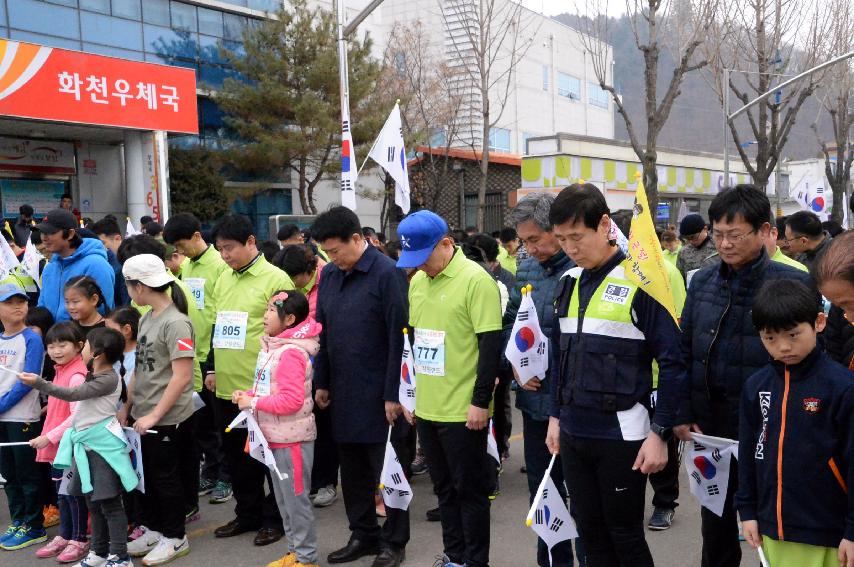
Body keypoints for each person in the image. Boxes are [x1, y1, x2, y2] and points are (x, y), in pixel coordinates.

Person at [542, 184, 685, 566]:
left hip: (623, 435)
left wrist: (660, 434)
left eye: (577, 236)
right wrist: (555, 415)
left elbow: (673, 363)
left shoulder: (641, 281)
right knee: (589, 532)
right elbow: (559, 358)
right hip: (574, 432)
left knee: (624, 535)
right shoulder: (567, 283)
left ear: (604, 225)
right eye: (561, 239)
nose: (570, 247)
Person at [674, 184, 812, 567]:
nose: (725, 243)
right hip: (711, 428)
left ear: (764, 231)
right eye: (718, 234)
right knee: (715, 527)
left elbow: (810, 361)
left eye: (735, 235)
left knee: (774, 524)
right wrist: (681, 412)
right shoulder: (701, 282)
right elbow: (685, 350)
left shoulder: (792, 283)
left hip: (771, 427)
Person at [397, 210, 502, 567]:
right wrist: (409, 394)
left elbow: (490, 346)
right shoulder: (417, 283)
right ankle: (454, 556)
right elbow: (415, 345)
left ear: (446, 244)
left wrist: (480, 401)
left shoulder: (476, 280)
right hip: (427, 407)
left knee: (469, 493)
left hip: (463, 411)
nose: (419, 267)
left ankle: (476, 561)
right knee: (443, 491)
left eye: (424, 258)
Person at [311, 206, 410, 567]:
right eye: (327, 253)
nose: (332, 259)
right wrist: (321, 381)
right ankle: (363, 533)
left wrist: (392, 393)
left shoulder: (388, 274)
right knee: (351, 470)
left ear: (358, 239)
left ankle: (394, 541)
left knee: (388, 471)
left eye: (336, 251)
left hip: (381, 394)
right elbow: (323, 332)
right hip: (344, 390)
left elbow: (400, 339)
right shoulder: (333, 277)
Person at [736, 279, 854, 567]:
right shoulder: (756, 386)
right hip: (772, 529)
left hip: (829, 530)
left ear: (819, 322)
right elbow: (750, 453)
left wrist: (852, 530)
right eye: (770, 338)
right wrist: (748, 511)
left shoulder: (842, 386)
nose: (784, 346)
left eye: (793, 334)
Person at [205, 214, 292, 547]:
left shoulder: (276, 278)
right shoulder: (223, 278)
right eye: (221, 250)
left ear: (251, 242)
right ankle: (248, 513)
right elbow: (218, 325)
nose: (225, 256)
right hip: (228, 388)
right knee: (238, 458)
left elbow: (287, 331)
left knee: (270, 459)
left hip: (263, 390)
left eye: (230, 248)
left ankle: (275, 518)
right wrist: (212, 368)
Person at [503, 193, 578, 567]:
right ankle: (552, 561)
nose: (529, 248)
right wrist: (515, 363)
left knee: (580, 497)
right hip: (534, 405)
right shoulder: (527, 268)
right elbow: (514, 320)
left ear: (558, 231)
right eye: (523, 241)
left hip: (573, 408)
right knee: (543, 493)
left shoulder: (581, 269)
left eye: (535, 239)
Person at [22, 327, 137, 567]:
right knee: (92, 503)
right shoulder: (95, 375)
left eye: (85, 346)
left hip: (103, 449)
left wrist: (39, 383)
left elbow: (73, 395)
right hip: (87, 448)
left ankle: (120, 556)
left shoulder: (108, 379)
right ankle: (98, 553)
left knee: (110, 504)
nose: (82, 349)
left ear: (96, 354)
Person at [233, 290, 322, 567]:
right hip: (274, 437)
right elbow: (269, 389)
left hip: (291, 439)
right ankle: (295, 552)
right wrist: (248, 394)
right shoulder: (274, 348)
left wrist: (253, 401)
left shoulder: (291, 353)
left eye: (271, 310)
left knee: (296, 503)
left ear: (290, 318)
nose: (265, 316)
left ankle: (306, 559)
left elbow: (292, 401)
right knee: (284, 502)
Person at [121, 254, 196, 565]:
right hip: (144, 414)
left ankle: (175, 536)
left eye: (128, 285)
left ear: (138, 287)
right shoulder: (148, 316)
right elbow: (138, 368)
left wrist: (154, 414)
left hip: (168, 417)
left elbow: (182, 376)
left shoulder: (177, 322)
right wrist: (128, 406)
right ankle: (154, 529)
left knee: (166, 479)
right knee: (147, 477)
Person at [162, 213, 232, 505]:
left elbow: (219, 313)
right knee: (201, 422)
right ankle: (212, 470)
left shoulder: (218, 265)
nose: (180, 252)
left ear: (196, 235)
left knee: (220, 422)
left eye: (181, 244)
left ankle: (226, 477)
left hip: (213, 354)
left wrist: (213, 359)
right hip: (190, 353)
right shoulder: (187, 266)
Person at [272, 244, 339, 507]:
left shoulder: (327, 281)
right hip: (296, 365)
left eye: (293, 278)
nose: (290, 284)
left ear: (306, 271)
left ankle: (327, 482)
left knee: (323, 427)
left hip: (320, 361)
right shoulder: (294, 288)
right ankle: (311, 481)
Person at [31, 322, 90, 563]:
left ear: (79, 346)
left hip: (70, 446)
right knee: (62, 494)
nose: (56, 350)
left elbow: (77, 417)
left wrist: (49, 437)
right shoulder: (61, 369)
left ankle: (79, 538)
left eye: (62, 345)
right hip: (59, 447)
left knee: (73, 494)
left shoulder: (76, 375)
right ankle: (65, 535)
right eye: (51, 345)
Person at [0, 283, 46, 551]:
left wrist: (2, 405)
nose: (18, 306)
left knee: (27, 474)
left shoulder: (31, 338)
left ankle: (35, 525)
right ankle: (18, 521)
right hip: (3, 417)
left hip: (23, 417)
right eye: (9, 302)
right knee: (9, 473)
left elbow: (28, 380)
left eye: (22, 301)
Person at [36, 208, 115, 322]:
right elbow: (42, 306)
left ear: (70, 234)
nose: (44, 237)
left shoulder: (96, 265)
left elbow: (101, 310)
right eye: (42, 232)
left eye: (50, 232)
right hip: (53, 338)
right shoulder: (50, 267)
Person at [91, 217, 131, 308]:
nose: (100, 248)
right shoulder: (101, 263)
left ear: (117, 239)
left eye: (103, 243)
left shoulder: (125, 266)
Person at [676, 213, 718, 282]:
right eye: (687, 238)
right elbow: (680, 279)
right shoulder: (683, 253)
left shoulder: (718, 246)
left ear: (705, 229)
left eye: (693, 237)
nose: (691, 241)